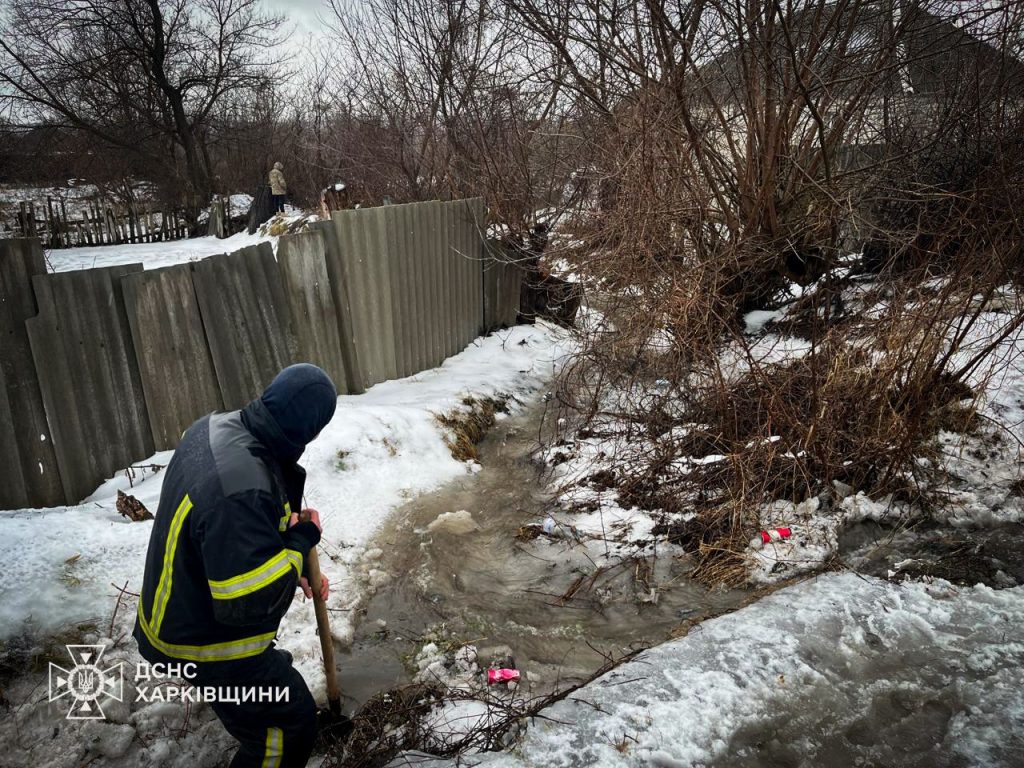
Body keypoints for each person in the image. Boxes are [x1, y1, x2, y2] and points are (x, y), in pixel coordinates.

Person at [134, 364, 338, 768]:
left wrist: (285, 551)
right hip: (195, 638)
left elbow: (233, 538)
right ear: (312, 431)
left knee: (273, 684)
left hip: (181, 604)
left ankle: (246, 685)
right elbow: (247, 602)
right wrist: (298, 545)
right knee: (290, 723)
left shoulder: (218, 427)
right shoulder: (242, 488)